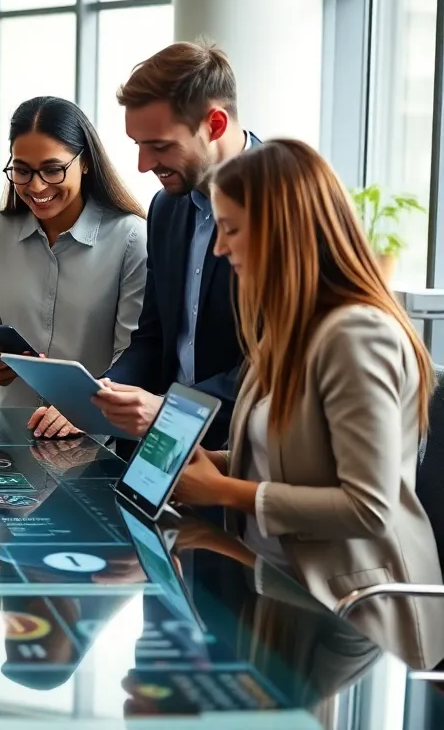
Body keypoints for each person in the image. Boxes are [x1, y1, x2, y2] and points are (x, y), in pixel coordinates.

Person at [174, 139, 444, 670]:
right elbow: (292, 460)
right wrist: (215, 467)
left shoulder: (358, 335)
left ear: (280, 231)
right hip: (281, 590)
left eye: (230, 229)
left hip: (353, 620)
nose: (218, 250)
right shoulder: (289, 328)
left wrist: (225, 491)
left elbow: (367, 508)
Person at [38, 42, 252, 447]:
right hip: (163, 447)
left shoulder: (287, 209)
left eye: (160, 145)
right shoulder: (167, 209)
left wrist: (170, 409)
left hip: (242, 453)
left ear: (216, 126)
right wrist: (97, 395)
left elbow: (273, 368)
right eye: (138, 144)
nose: (143, 164)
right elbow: (152, 339)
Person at [0, 96, 146, 435]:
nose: (35, 186)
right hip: (8, 435)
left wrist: (84, 406)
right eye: (22, 170)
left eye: (52, 169)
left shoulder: (130, 237)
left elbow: (132, 355)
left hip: (90, 438)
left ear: (86, 162)